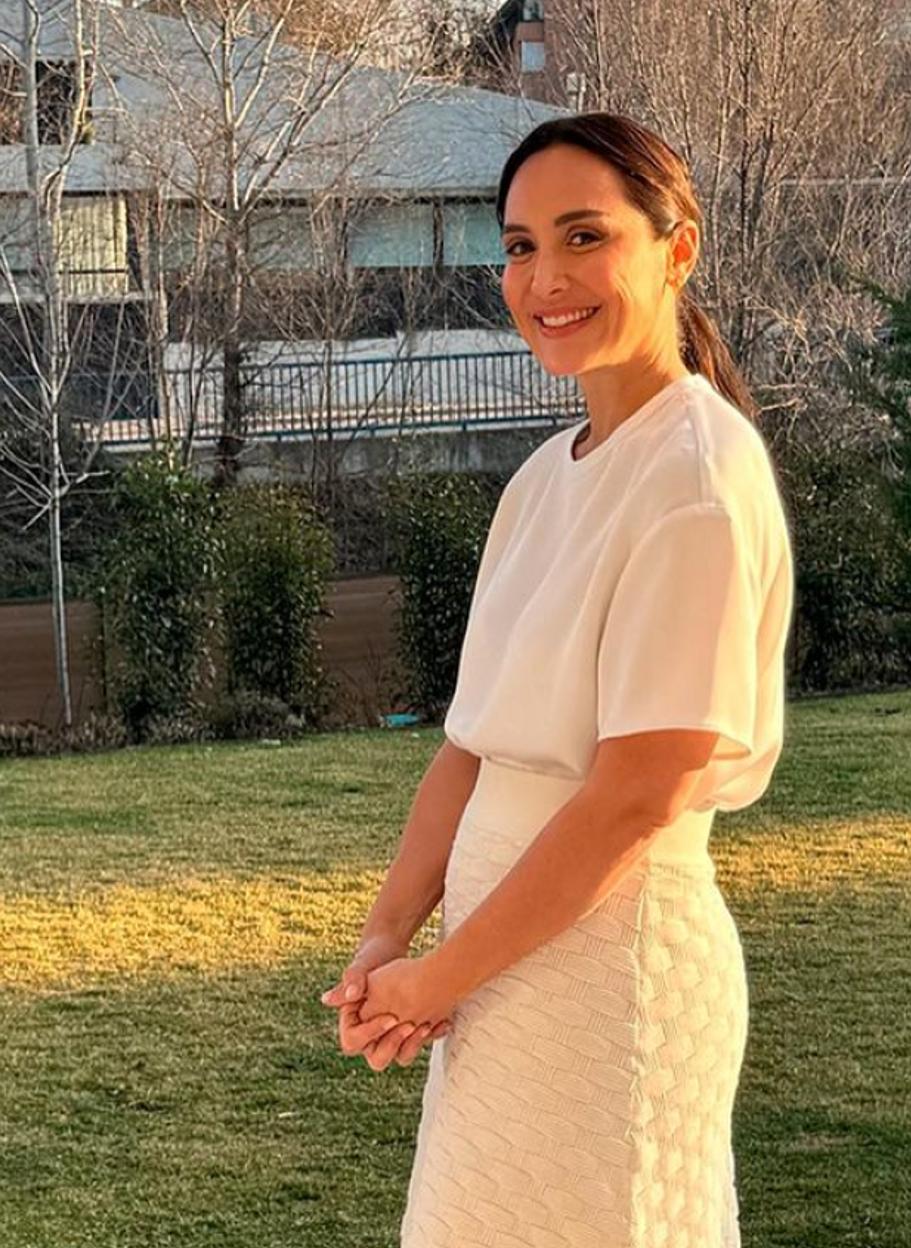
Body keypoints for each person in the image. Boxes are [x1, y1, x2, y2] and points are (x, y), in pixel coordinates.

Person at [319, 111, 795, 1247]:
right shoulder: (543, 480)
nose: (546, 279)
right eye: (522, 246)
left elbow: (637, 795)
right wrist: (389, 941)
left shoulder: (696, 479)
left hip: (610, 982)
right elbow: (470, 747)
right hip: (502, 973)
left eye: (585, 237)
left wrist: (443, 976)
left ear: (677, 249)